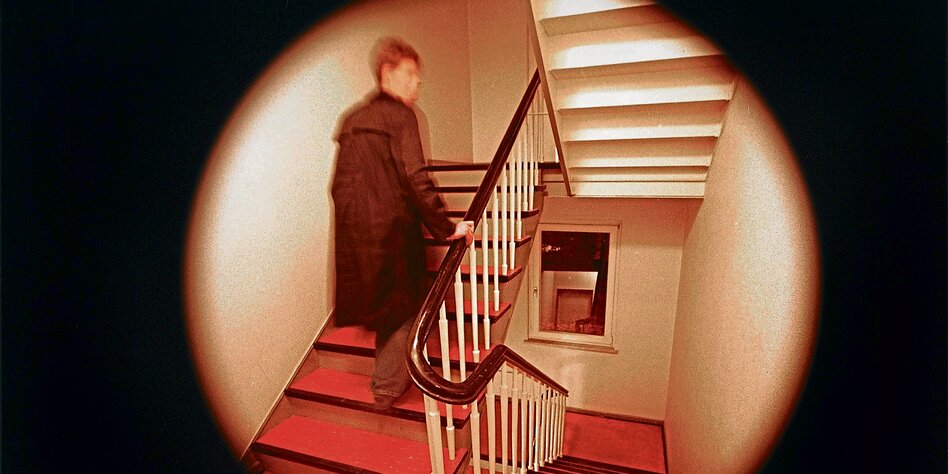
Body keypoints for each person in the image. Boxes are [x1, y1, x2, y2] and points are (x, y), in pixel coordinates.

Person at [331, 37, 474, 409]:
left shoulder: (352, 120)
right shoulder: (401, 116)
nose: (417, 82)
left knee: (386, 307)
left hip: (358, 238)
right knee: (409, 307)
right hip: (393, 234)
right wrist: (448, 227)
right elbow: (415, 178)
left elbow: (339, 186)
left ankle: (386, 376)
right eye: (410, 73)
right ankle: (386, 387)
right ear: (387, 73)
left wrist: (355, 231)